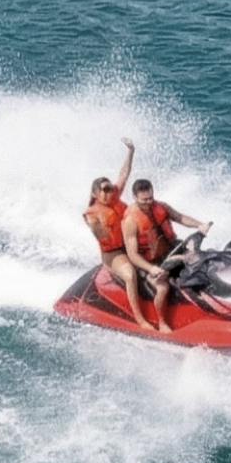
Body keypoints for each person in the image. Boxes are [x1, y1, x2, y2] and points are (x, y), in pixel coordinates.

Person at [123, 178, 211, 330]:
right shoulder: (131, 221)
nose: (148, 202)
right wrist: (151, 269)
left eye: (150, 198)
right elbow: (133, 255)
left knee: (201, 259)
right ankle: (162, 322)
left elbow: (180, 217)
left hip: (170, 252)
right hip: (148, 262)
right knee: (162, 286)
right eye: (144, 200)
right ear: (135, 197)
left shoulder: (162, 207)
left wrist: (199, 225)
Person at [82, 138, 150, 330]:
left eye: (110, 188)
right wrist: (95, 226)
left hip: (132, 244)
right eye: (104, 190)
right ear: (95, 194)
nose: (109, 192)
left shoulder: (115, 197)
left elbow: (123, 174)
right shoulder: (92, 213)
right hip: (114, 254)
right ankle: (139, 319)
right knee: (130, 275)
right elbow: (101, 235)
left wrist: (131, 151)